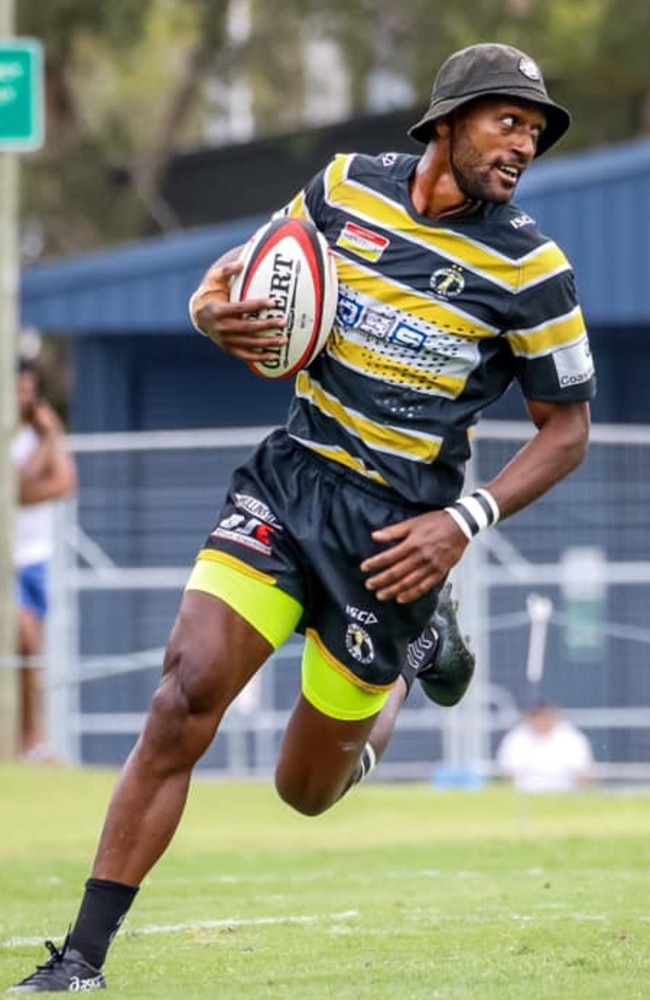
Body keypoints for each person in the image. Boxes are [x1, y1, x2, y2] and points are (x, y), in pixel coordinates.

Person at [8, 42, 596, 993]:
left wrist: (465, 521)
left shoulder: (532, 268)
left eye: (535, 129)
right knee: (181, 699)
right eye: (507, 120)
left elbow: (566, 431)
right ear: (445, 122)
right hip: (290, 484)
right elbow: (232, 281)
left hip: (399, 538)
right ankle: (81, 957)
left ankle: (406, 661)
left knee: (304, 791)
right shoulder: (344, 188)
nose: (524, 142)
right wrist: (209, 310)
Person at [11, 358, 77, 761]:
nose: (23, 397)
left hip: (36, 558)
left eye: (27, 389)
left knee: (33, 652)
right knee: (23, 635)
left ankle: (33, 739)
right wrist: (50, 438)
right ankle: (28, 736)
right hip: (10, 562)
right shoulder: (19, 436)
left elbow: (64, 483)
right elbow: (14, 490)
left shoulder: (39, 435)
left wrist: (51, 437)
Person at [496, 701, 595, 792]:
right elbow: (507, 774)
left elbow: (583, 772)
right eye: (537, 716)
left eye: (545, 716)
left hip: (564, 795)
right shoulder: (516, 738)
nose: (541, 721)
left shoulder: (571, 737)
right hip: (526, 794)